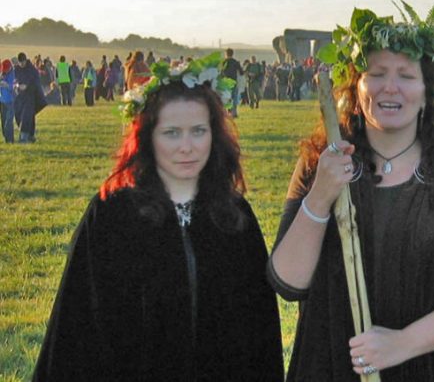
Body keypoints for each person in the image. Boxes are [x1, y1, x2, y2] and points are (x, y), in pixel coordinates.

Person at [268, 3, 434, 381]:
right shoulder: (323, 161)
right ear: (356, 87)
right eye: (376, 74)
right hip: (335, 364)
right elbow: (288, 282)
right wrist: (320, 197)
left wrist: (402, 344)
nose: (390, 87)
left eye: (407, 76)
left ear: (427, 91)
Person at [33, 53, 284, 380]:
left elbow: (259, 332)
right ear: (148, 137)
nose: (187, 146)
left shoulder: (234, 217)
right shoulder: (113, 214)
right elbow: (77, 325)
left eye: (198, 131)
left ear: (214, 134)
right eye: (171, 133)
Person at [13, 52, 46, 143]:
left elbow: (36, 83)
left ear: (25, 60)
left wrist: (27, 86)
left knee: (26, 116)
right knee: (19, 115)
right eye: (20, 62)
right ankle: (31, 136)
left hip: (30, 96)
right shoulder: (16, 69)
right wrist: (16, 85)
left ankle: (23, 137)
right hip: (19, 97)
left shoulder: (32, 70)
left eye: (23, 62)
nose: (21, 64)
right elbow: (13, 80)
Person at [220, 48, 243, 116]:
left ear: (226, 54)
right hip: (233, 82)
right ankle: (234, 112)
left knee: (227, 97)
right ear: (232, 54)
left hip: (225, 82)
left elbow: (220, 72)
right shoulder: (236, 62)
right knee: (234, 97)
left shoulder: (223, 62)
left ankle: (228, 111)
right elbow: (241, 72)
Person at [1, 59, 15, 143]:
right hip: (2, 101)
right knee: (3, 122)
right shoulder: (2, 73)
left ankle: (10, 140)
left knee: (8, 122)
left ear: (10, 67)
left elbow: (14, 87)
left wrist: (7, 85)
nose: (4, 71)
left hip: (11, 101)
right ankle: (7, 140)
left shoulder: (13, 74)